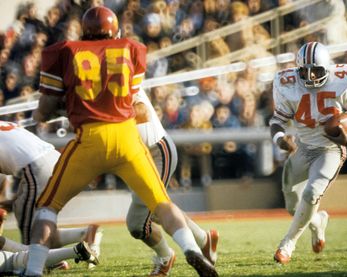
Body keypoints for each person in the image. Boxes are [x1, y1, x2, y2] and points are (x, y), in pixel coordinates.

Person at [28, 6, 218, 277]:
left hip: (95, 139)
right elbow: (117, 98)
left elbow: (48, 108)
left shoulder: (67, 51)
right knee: (162, 205)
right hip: (127, 138)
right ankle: (192, 249)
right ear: (115, 31)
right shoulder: (130, 50)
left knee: (47, 207)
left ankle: (33, 269)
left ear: (84, 32)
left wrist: (50, 111)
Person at [269, 41, 347, 264]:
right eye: (304, 71)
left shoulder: (344, 78)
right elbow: (277, 120)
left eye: (316, 70)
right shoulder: (286, 82)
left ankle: (288, 244)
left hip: (330, 148)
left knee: (311, 194)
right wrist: (280, 140)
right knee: (292, 206)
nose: (311, 77)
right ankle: (317, 222)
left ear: (327, 67)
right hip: (303, 147)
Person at [127, 88, 219, 276]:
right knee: (152, 213)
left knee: (140, 221)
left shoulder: (120, 67)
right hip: (133, 157)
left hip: (154, 151)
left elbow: (140, 110)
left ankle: (167, 257)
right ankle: (202, 240)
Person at [0, 121, 102, 257]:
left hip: (37, 168)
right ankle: (83, 234)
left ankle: (66, 255)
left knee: (32, 240)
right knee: (35, 224)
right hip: (54, 161)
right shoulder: (5, 123)